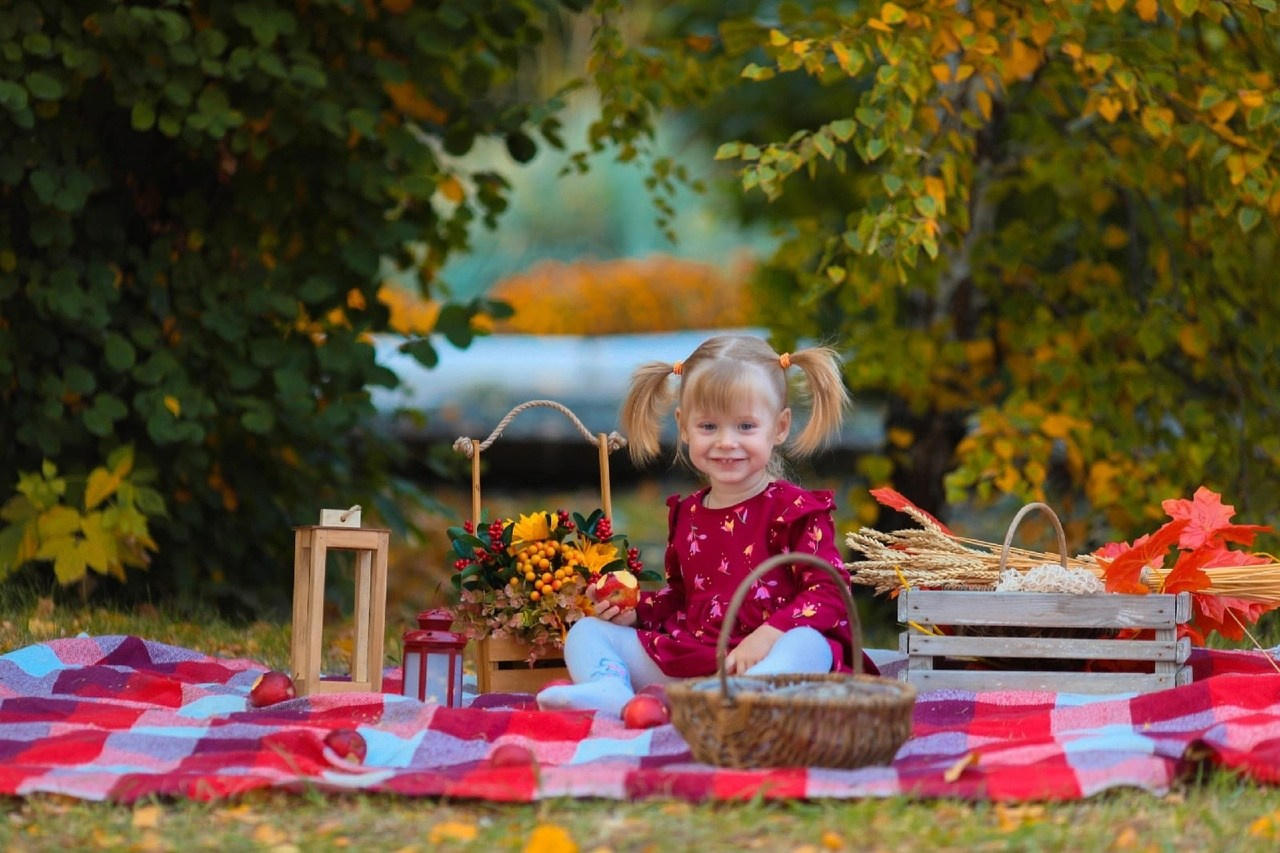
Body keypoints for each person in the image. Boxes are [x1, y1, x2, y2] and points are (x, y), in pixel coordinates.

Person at [536, 334, 875, 717]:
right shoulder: (689, 513)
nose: (726, 442)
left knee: (808, 642)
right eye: (709, 426)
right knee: (586, 632)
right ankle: (611, 690)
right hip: (699, 659)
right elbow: (684, 601)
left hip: (773, 663)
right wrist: (637, 612)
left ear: (779, 427)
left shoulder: (793, 509)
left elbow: (829, 592)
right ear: (683, 426)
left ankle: (751, 694)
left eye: (746, 426)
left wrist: (769, 636)